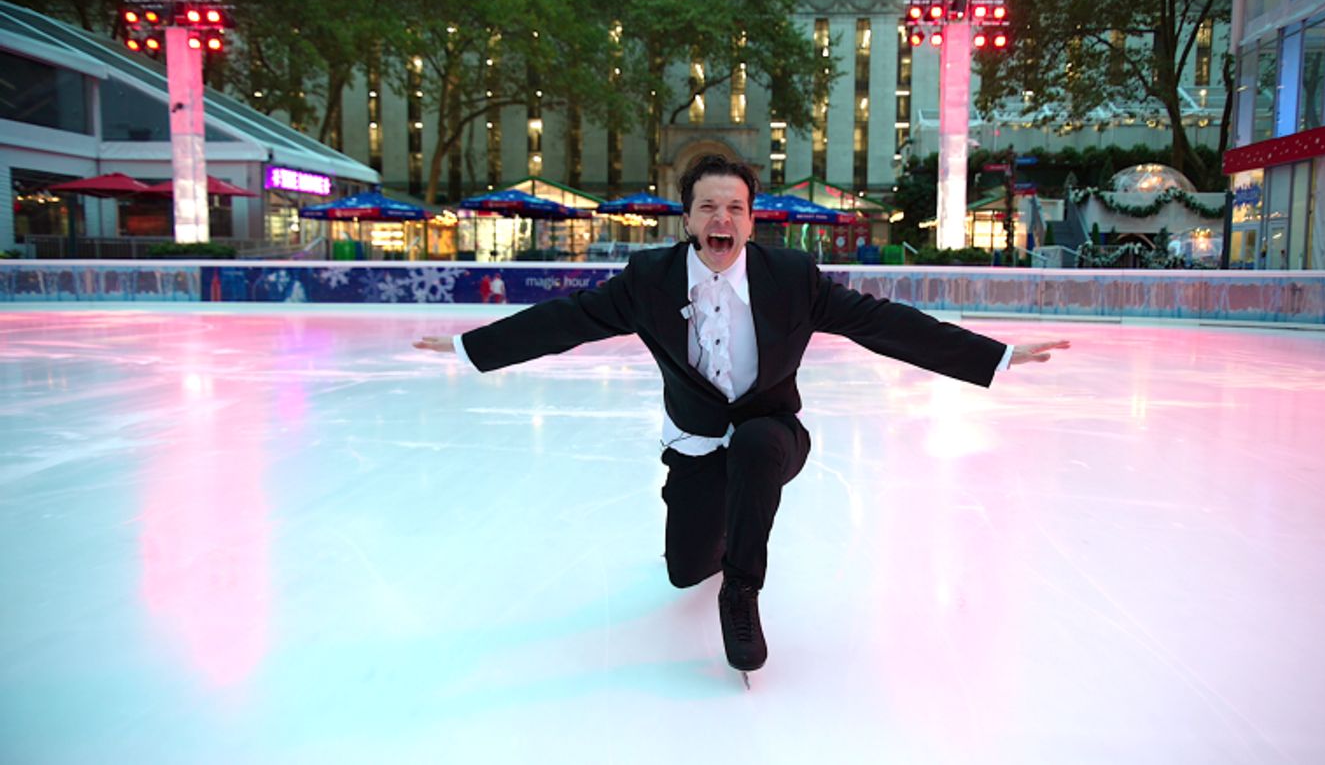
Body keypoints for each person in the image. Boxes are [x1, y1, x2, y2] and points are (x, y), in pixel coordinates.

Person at [414, 154, 1069, 682]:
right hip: (697, 446)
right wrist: (474, 347)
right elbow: (568, 320)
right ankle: (719, 540)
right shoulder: (649, 281)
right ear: (689, 219)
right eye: (709, 207)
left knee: (756, 446)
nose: (722, 218)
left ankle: (742, 598)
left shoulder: (791, 278)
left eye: (736, 207)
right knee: (683, 569)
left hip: (772, 433)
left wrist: (997, 355)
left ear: (752, 221)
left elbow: (883, 324)